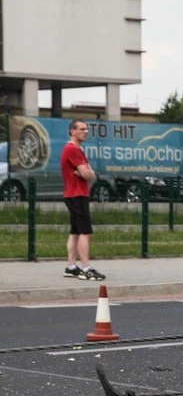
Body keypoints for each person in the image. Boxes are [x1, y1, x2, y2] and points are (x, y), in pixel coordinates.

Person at [60, 119, 106, 281]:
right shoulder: (72, 150)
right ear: (72, 131)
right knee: (85, 232)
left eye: (86, 129)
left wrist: (84, 172)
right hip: (77, 195)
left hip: (72, 195)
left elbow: (89, 173)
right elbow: (87, 174)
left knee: (75, 232)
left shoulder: (77, 150)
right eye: (81, 129)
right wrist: (84, 173)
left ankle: (71, 267)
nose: (85, 131)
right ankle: (86, 269)